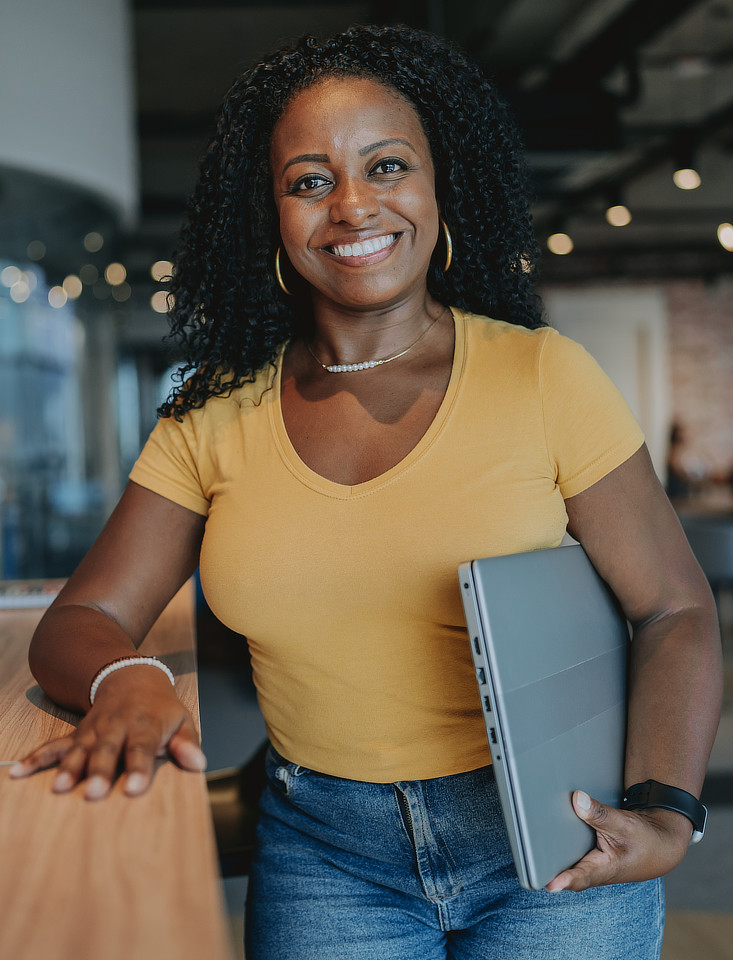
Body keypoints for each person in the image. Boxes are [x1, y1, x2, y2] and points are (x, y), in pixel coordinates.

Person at [11, 24, 722, 960]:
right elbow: (84, 614)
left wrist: (667, 808)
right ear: (271, 217)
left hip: (557, 835)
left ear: (438, 189)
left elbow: (673, 606)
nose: (352, 206)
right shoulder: (212, 413)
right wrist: (128, 677)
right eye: (310, 181)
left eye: (387, 166)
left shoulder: (541, 376)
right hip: (325, 854)